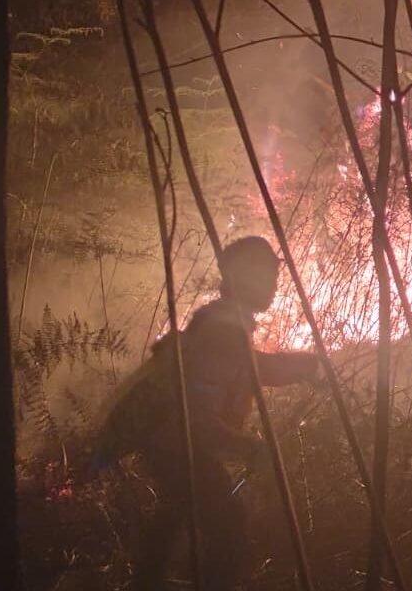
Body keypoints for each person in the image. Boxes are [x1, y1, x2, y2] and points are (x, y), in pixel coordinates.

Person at [93, 236, 317, 590]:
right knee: (229, 528)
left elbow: (251, 369)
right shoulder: (223, 330)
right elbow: (197, 418)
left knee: (174, 518)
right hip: (176, 445)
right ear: (245, 277)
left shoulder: (224, 323)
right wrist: (247, 446)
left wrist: (306, 368)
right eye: (269, 276)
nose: (276, 285)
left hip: (167, 441)